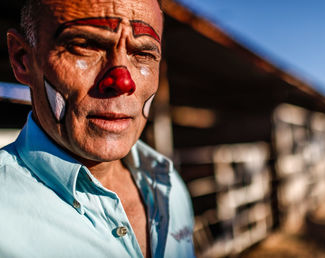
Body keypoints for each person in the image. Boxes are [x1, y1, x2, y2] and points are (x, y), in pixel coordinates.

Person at [0, 0, 195, 257]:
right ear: (22, 60)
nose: (122, 81)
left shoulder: (169, 186)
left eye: (144, 54)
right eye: (86, 46)